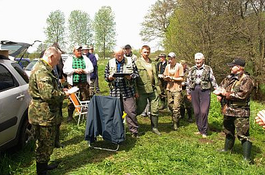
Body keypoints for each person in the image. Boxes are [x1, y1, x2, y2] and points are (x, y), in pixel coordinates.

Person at [28, 47, 69, 175]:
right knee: (44, 144)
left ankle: (44, 166)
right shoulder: (42, 71)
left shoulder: (44, 68)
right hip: (43, 115)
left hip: (45, 113)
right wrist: (64, 95)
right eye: (57, 60)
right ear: (51, 57)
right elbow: (48, 95)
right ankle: (41, 171)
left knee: (46, 143)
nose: (57, 63)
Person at [214, 58, 254, 161]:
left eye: (233, 66)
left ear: (240, 67)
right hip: (228, 109)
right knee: (228, 131)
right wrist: (219, 93)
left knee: (243, 134)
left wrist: (225, 94)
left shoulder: (247, 79)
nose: (230, 67)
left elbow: (242, 95)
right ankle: (227, 150)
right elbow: (221, 86)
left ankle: (247, 158)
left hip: (240, 111)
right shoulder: (229, 77)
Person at [104, 47, 139, 138]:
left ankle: (134, 131)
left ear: (124, 54)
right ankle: (117, 130)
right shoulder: (110, 62)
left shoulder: (130, 61)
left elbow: (136, 74)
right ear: (114, 55)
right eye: (118, 55)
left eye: (121, 55)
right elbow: (105, 76)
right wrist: (109, 78)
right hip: (115, 92)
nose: (120, 57)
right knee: (115, 112)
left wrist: (130, 77)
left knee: (131, 111)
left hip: (127, 91)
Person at [187, 52, 218, 138]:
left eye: (199, 59)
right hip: (194, 90)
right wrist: (188, 92)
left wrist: (217, 90)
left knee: (204, 111)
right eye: (196, 59)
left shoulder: (208, 68)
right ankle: (199, 129)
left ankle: (204, 130)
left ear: (203, 60)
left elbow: (213, 80)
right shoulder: (192, 69)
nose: (197, 61)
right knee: (196, 112)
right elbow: (188, 81)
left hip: (205, 90)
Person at [135, 45, 162, 135]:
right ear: (141, 52)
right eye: (144, 52)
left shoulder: (152, 63)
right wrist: (136, 91)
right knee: (139, 109)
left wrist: (159, 87)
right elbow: (134, 79)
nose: (146, 54)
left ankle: (154, 128)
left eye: (148, 52)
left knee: (155, 109)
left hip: (153, 89)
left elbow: (155, 76)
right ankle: (133, 126)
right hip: (142, 90)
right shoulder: (137, 63)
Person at [63, 45, 94, 122]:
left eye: (81, 50)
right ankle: (70, 116)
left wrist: (84, 71)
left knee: (85, 98)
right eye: (78, 50)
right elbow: (65, 70)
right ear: (74, 51)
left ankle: (86, 116)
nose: (80, 52)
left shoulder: (86, 59)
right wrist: (74, 70)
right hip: (73, 83)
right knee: (72, 99)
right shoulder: (69, 59)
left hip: (84, 83)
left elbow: (91, 68)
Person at [163, 52, 184, 130]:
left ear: (175, 58)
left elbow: (182, 78)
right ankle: (176, 117)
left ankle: (175, 123)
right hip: (169, 88)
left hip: (177, 89)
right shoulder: (167, 66)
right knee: (169, 105)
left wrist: (173, 78)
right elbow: (164, 76)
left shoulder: (179, 66)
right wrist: (165, 78)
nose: (170, 60)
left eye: (171, 58)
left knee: (176, 107)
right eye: (169, 58)